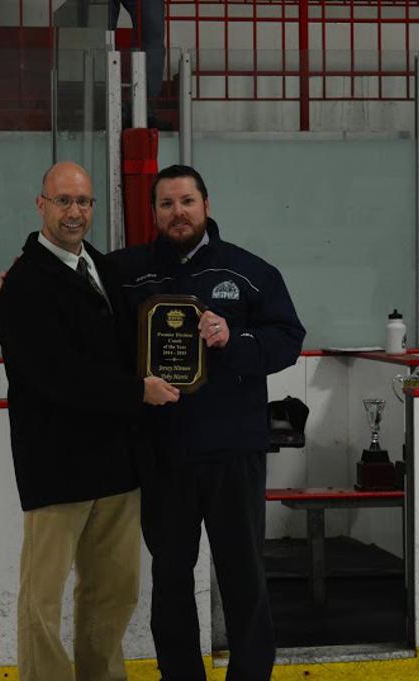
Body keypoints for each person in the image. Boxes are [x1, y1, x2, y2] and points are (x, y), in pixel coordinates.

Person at [110, 164, 306, 681]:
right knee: (171, 578)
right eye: (167, 204)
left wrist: (234, 340)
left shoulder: (249, 272)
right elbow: (71, 287)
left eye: (187, 201)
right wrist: (21, 275)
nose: (178, 212)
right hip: (162, 453)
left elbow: (288, 340)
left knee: (243, 575)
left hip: (233, 452)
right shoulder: (125, 272)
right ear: (154, 212)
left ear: (206, 206)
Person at [0, 161, 179, 681]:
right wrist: (136, 392)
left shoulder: (104, 268)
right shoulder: (24, 284)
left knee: (113, 593)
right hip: (56, 468)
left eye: (84, 202)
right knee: (42, 600)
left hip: (117, 465)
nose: (74, 212)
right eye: (63, 201)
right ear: (41, 205)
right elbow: (55, 375)